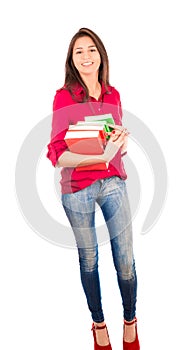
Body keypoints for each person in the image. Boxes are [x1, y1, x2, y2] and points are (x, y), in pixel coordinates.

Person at [47, 27, 140, 350]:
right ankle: (99, 323)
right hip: (77, 189)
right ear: (72, 60)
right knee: (89, 258)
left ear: (101, 55)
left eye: (91, 50)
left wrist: (120, 143)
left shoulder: (112, 94)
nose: (86, 56)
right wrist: (99, 155)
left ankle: (130, 320)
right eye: (79, 51)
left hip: (113, 181)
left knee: (125, 258)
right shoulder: (64, 97)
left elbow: (115, 147)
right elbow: (57, 153)